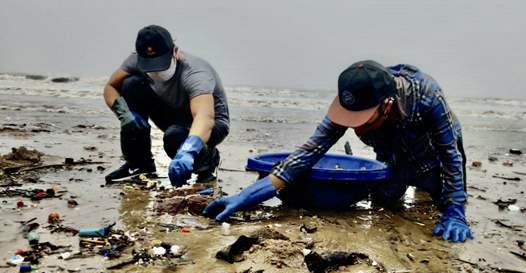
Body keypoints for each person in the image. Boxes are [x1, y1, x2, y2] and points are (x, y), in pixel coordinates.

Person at [204, 60, 472, 242]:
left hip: (431, 153)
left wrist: (456, 210)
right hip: (390, 153)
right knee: (387, 200)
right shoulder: (353, 100)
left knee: (440, 199)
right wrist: (247, 195)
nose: (356, 128)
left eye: (362, 121)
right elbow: (309, 152)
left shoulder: (426, 94)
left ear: (386, 105)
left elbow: (450, 155)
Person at [102, 25, 229, 187]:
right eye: (149, 65)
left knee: (174, 137)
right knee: (130, 84)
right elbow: (110, 87)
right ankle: (140, 164)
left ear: (175, 52)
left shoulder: (196, 73)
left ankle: (208, 163)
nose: (155, 70)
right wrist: (124, 114)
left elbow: (204, 117)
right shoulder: (135, 61)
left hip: (210, 123)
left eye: (160, 63)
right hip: (171, 112)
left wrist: (188, 150)